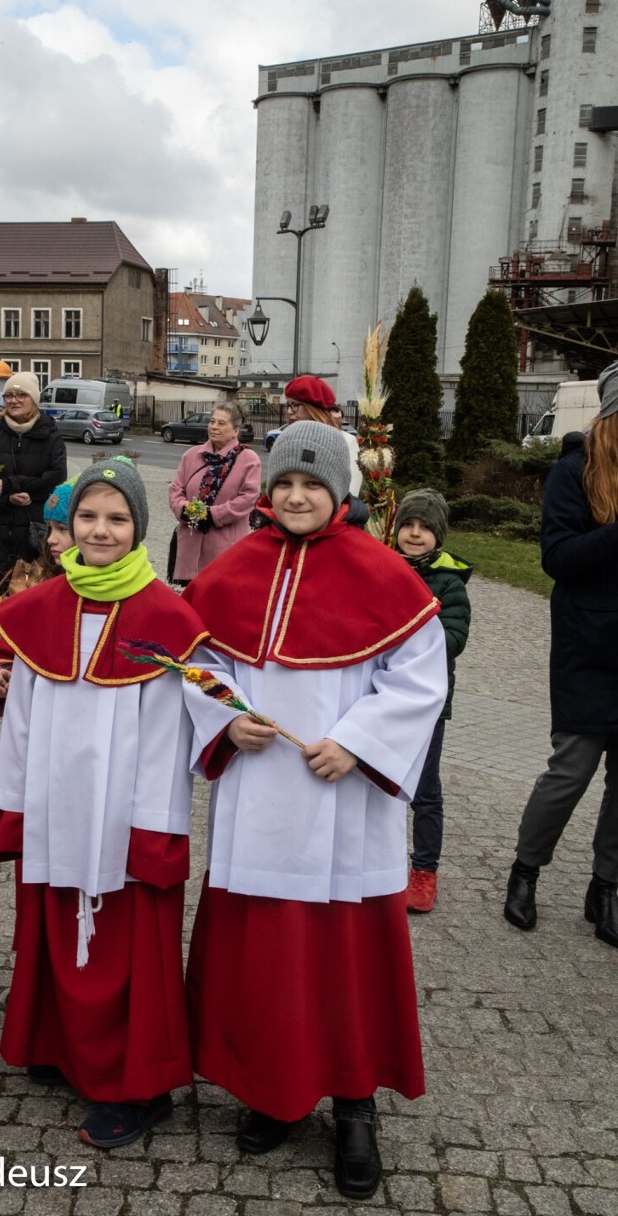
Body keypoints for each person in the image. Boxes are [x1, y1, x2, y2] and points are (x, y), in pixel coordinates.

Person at [181, 422, 447, 1200]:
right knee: (268, 953)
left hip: (342, 799)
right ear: (267, 493)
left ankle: (355, 1108)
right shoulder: (236, 569)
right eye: (286, 484)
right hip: (261, 790)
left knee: (344, 955)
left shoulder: (384, 574)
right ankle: (273, 1091)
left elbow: (419, 681)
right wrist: (225, 718)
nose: (297, 496)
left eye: (313, 484)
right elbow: (199, 660)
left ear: (342, 491)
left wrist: (361, 744)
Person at [0, 459, 208, 1148]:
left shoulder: (167, 620)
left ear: (140, 527)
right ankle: (63, 1046)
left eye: (116, 518)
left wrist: (152, 832)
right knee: (56, 928)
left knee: (129, 948)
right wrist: (16, 803)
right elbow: (21, 717)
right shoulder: (35, 612)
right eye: (88, 517)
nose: (101, 530)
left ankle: (140, 1088)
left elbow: (169, 741)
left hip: (124, 817)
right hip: (57, 806)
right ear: (68, 526)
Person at [504, 361, 618, 948]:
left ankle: (607, 886)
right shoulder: (572, 471)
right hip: (588, 645)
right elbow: (558, 558)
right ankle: (525, 872)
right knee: (571, 770)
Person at [393, 489, 472, 913]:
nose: (415, 534)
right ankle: (378, 858)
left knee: (424, 790)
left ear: (438, 535)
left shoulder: (449, 582)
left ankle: (424, 870)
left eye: (424, 528)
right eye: (408, 525)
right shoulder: (382, 567)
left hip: (427, 703)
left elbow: (453, 639)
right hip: (381, 694)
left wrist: (408, 634)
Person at [0, 374, 67, 596]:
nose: (13, 400)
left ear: (34, 399)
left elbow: (57, 477)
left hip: (32, 532)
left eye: (21, 395)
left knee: (29, 598)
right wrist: (3, 498)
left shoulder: (51, 436)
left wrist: (16, 487)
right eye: (8, 395)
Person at [0, 475, 78, 704]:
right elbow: (14, 642)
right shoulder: (42, 588)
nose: (51, 540)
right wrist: (3, 672)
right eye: (50, 529)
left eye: (62, 529)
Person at [168, 403, 261, 585]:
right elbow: (176, 489)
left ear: (235, 431)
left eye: (221, 423)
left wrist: (213, 514)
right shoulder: (192, 455)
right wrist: (184, 508)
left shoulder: (248, 460)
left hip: (224, 546)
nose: (214, 427)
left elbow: (248, 498)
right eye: (212, 422)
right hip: (190, 542)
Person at [284, 375, 362, 498]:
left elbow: (350, 495)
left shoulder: (346, 441)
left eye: (295, 405)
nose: (289, 411)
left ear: (313, 408)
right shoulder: (287, 440)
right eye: (288, 405)